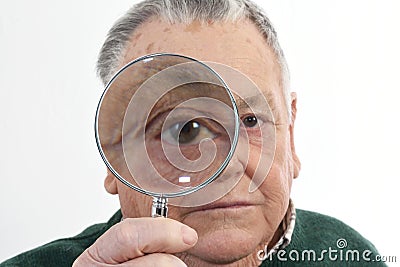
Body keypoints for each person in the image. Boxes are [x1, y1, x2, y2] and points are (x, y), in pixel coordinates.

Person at [0, 0, 386, 266]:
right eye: (183, 129)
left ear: (291, 134)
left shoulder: (349, 254)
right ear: (114, 158)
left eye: (250, 121)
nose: (226, 166)